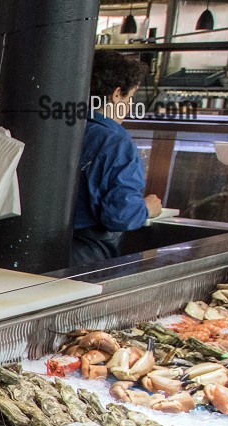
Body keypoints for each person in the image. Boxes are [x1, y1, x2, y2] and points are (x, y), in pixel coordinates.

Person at [72, 50, 163, 266]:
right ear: (116, 94)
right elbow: (119, 215)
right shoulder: (116, 143)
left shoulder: (63, 127)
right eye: (130, 97)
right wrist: (147, 209)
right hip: (86, 258)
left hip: (40, 250)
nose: (129, 107)